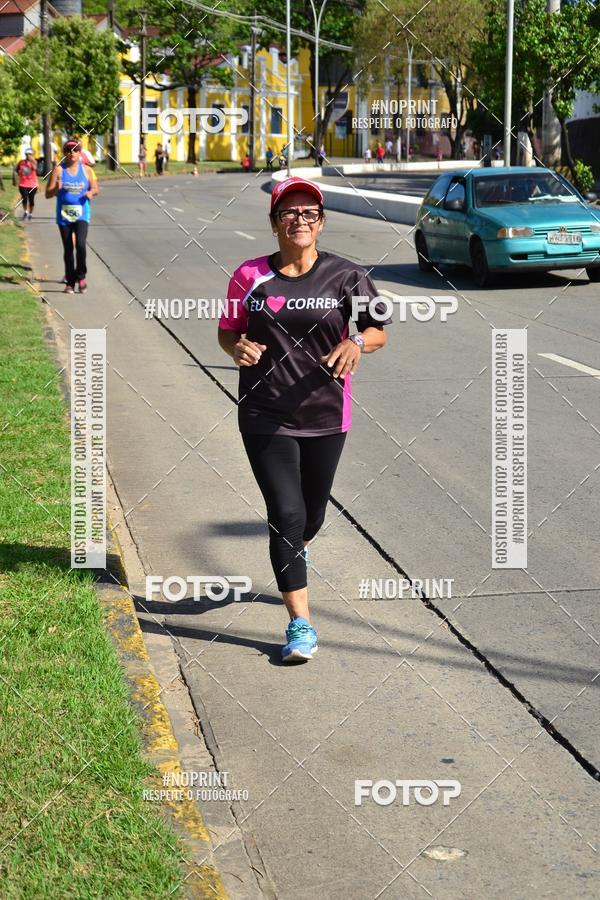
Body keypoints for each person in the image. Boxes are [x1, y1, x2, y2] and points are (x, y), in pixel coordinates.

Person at [217, 176, 389, 662]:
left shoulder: (348, 275)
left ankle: (295, 548)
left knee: (312, 515)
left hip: (327, 414)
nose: (300, 220)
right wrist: (237, 348)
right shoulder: (249, 275)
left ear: (322, 222)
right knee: (287, 515)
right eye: (289, 212)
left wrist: (357, 342)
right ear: (274, 222)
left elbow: (377, 330)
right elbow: (228, 331)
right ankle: (300, 625)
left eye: (309, 213)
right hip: (264, 413)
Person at [45, 138, 98, 294]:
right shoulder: (58, 170)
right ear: (64, 153)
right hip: (64, 216)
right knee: (68, 249)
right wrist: (56, 187)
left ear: (80, 152)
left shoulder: (87, 170)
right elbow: (47, 194)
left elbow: (95, 188)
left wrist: (91, 192)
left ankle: (81, 277)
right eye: (68, 150)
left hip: (82, 214)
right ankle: (70, 282)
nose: (72, 153)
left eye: (75, 150)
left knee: (80, 246)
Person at [14, 148, 38, 221]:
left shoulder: (34, 161)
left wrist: (31, 161)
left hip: (32, 185)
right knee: (24, 198)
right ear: (25, 155)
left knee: (31, 201)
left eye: (30, 154)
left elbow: (35, 168)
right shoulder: (21, 162)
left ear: (32, 154)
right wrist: (20, 172)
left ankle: (30, 213)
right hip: (23, 184)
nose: (28, 155)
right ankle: (25, 212)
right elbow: (17, 170)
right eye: (27, 154)